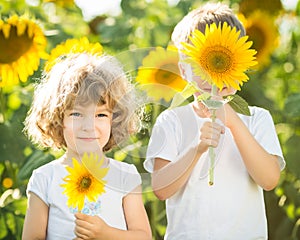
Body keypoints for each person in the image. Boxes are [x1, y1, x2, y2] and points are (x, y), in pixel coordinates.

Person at [143, 2, 285, 240]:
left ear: (239, 64)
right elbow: (161, 188)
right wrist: (196, 149)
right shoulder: (173, 121)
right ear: (183, 70)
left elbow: (269, 179)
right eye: (201, 64)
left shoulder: (256, 118)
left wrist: (234, 123)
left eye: (221, 60)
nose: (211, 74)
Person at [22, 53, 152, 240]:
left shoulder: (125, 176)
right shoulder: (45, 178)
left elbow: (143, 236)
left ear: (115, 121)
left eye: (101, 115)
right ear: (58, 120)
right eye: (76, 114)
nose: (89, 126)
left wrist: (105, 234)